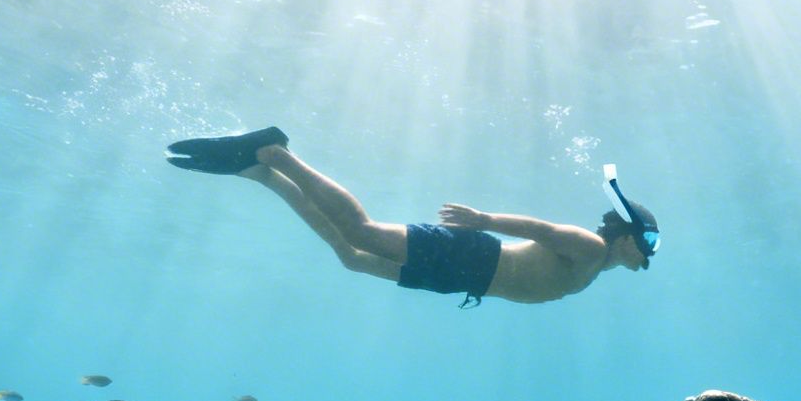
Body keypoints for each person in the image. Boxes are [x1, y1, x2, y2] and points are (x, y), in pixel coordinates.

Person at [167, 127, 659, 307]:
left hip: (465, 280)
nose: (649, 256)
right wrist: (482, 218)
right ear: (628, 236)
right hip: (472, 257)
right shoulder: (591, 247)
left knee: (352, 257)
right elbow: (541, 230)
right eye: (650, 243)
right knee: (361, 232)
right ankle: (276, 154)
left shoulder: (597, 264)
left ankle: (263, 175)